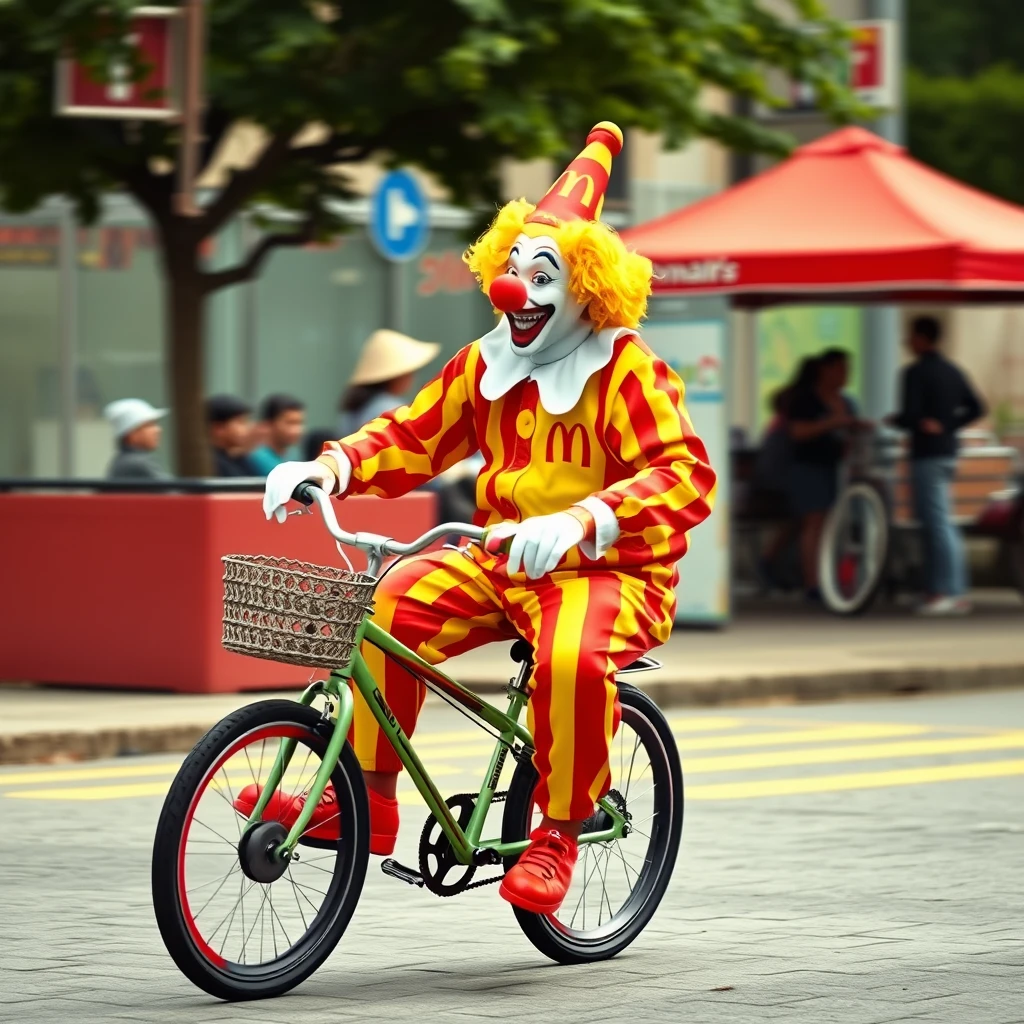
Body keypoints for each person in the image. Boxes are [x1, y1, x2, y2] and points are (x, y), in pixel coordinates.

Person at [253, 122, 716, 916]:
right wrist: (329, 467)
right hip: (499, 559)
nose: (516, 291)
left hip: (611, 571)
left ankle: (560, 831)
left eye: (542, 276)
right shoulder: (487, 362)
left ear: (586, 289)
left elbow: (685, 477)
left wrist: (586, 519)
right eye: (510, 271)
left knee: (570, 659)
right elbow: (412, 433)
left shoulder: (627, 370)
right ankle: (366, 798)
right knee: (390, 602)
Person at [889, 316, 985, 616]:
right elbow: (978, 407)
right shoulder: (953, 370)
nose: (907, 342)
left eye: (910, 336)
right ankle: (937, 590)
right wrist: (950, 425)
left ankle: (951, 592)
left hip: (926, 454)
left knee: (937, 524)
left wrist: (906, 421)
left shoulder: (914, 373)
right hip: (948, 452)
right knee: (936, 523)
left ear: (921, 338)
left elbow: (910, 414)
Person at [786, 349, 862, 600]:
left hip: (838, 470)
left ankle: (833, 580)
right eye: (840, 369)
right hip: (809, 467)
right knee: (813, 523)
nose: (844, 375)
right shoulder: (806, 399)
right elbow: (797, 432)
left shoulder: (847, 402)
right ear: (825, 370)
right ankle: (813, 583)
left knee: (833, 525)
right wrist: (832, 423)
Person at [336, 330, 440, 436]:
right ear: (397, 375)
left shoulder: (354, 408)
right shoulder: (392, 409)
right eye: (410, 372)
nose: (412, 377)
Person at [103, 398, 170, 480]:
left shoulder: (126, 460)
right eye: (149, 425)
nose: (157, 430)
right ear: (131, 434)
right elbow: (174, 491)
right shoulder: (136, 463)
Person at [248, 394, 306, 476]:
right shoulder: (256, 458)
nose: (297, 430)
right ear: (269, 424)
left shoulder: (293, 455)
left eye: (300, 423)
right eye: (290, 423)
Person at [206, 394, 257, 477]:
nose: (248, 428)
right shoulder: (212, 464)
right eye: (241, 422)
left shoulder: (237, 458)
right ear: (218, 428)